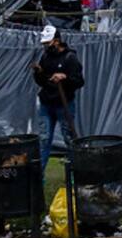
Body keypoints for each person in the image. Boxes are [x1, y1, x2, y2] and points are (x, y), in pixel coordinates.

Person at [31, 26, 84, 175]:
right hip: (46, 104)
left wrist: (64, 78)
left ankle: (75, 175)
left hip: (64, 104)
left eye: (48, 43)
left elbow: (79, 81)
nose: (46, 46)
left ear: (57, 41)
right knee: (44, 139)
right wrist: (38, 73)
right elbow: (42, 82)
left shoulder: (70, 58)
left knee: (69, 139)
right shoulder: (45, 57)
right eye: (44, 44)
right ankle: (37, 177)